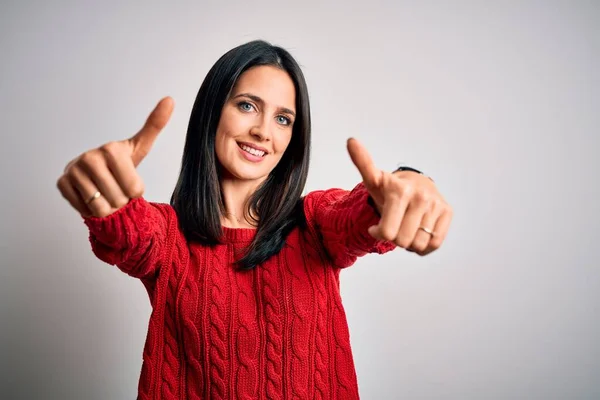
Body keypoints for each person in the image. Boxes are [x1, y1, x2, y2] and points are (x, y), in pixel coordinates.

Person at [57, 40, 452, 399]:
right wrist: (101, 195)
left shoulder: (315, 224)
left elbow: (359, 211)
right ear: (213, 112)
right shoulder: (168, 236)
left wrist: (412, 183)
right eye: (247, 105)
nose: (263, 131)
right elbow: (128, 229)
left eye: (283, 119)